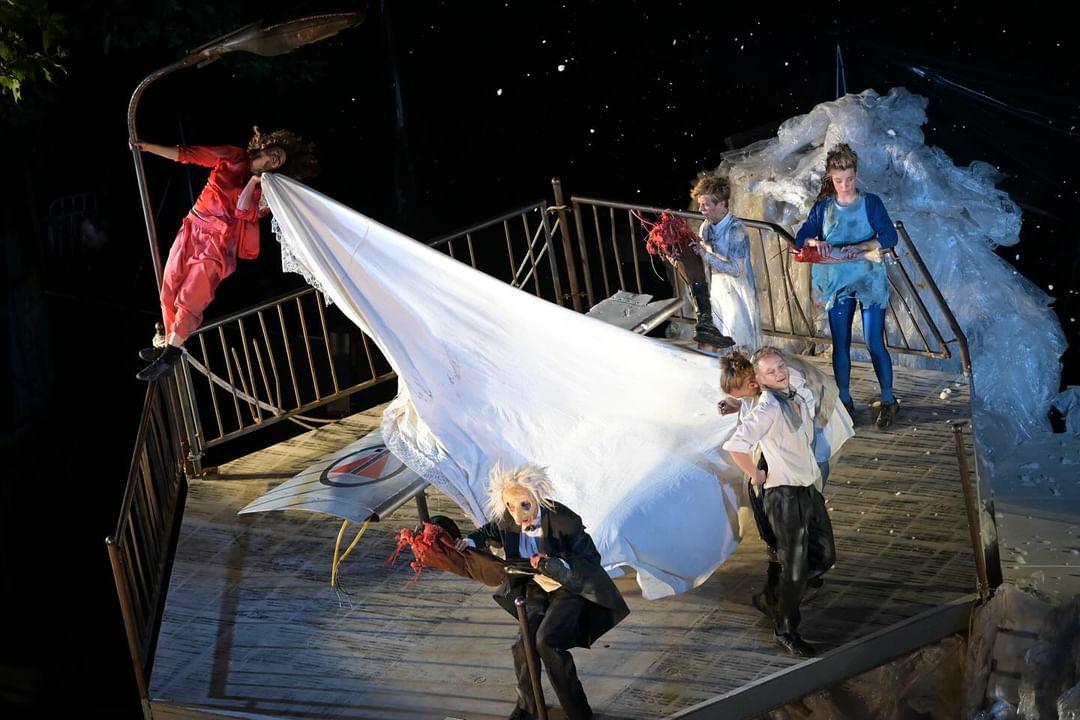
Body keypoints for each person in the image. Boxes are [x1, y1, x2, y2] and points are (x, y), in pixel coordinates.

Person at [132, 127, 317, 381]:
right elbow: (189, 154)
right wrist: (148, 147)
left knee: (191, 296)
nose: (276, 158)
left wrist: (254, 181)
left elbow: (242, 210)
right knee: (169, 289)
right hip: (193, 226)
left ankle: (170, 355)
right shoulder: (233, 156)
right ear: (264, 146)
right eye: (275, 152)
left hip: (218, 244)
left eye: (280, 161)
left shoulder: (264, 191)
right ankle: (167, 344)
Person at [457, 463, 629, 720]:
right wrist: (470, 541)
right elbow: (491, 530)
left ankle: (578, 713)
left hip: (567, 587)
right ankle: (528, 707)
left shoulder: (564, 520)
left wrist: (556, 564)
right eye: (510, 507)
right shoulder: (509, 519)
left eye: (524, 505)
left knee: (546, 641)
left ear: (536, 497)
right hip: (534, 585)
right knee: (523, 644)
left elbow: (590, 560)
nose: (517, 516)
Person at [720, 349, 837, 657]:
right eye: (770, 372)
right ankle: (785, 629)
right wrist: (755, 474)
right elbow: (736, 446)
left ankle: (777, 594)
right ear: (758, 380)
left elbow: (803, 380)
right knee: (795, 569)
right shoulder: (768, 408)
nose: (779, 373)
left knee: (824, 556)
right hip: (783, 495)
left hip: (807, 487)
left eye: (780, 367)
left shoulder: (791, 385)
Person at [794, 143, 900, 429]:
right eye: (839, 180)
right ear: (831, 178)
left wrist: (864, 246)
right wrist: (813, 241)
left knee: (874, 341)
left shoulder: (870, 203)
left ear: (856, 175)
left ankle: (888, 399)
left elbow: (889, 236)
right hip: (838, 281)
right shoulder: (823, 208)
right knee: (840, 343)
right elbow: (802, 236)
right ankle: (844, 399)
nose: (844, 185)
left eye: (849, 179)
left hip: (868, 278)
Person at [691, 172, 761, 350]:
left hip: (738, 291)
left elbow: (737, 269)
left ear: (721, 204)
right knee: (718, 339)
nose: (701, 210)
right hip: (717, 289)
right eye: (700, 205)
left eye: (706, 205)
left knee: (736, 340)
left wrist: (705, 254)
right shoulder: (706, 227)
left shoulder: (736, 229)